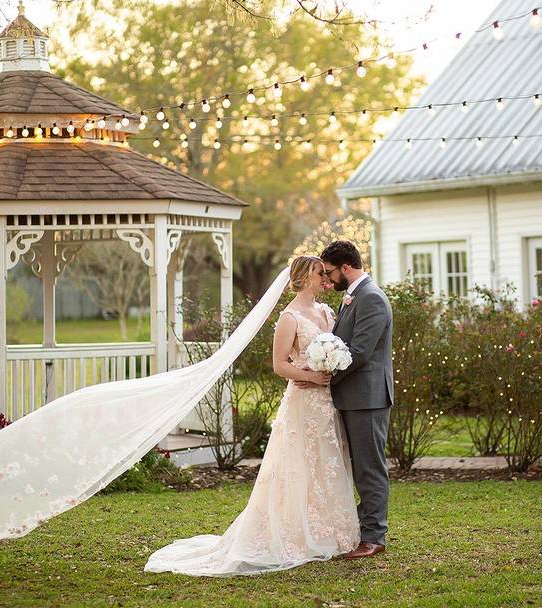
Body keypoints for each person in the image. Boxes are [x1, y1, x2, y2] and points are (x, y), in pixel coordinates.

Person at [144, 255, 361, 576]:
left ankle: (332, 531)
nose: (325, 278)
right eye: (319, 273)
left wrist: (333, 364)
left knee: (327, 462)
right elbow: (279, 365)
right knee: (299, 465)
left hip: (328, 403)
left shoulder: (328, 311)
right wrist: (313, 376)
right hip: (303, 400)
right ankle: (297, 533)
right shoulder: (290, 318)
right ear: (303, 278)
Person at [314, 240, 394, 559]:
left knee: (369, 468)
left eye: (331, 272)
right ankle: (362, 529)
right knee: (356, 467)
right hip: (353, 397)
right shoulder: (353, 297)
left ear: (346, 267)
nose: (328, 279)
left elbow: (358, 354)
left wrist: (325, 378)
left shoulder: (371, 298)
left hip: (368, 399)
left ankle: (374, 537)